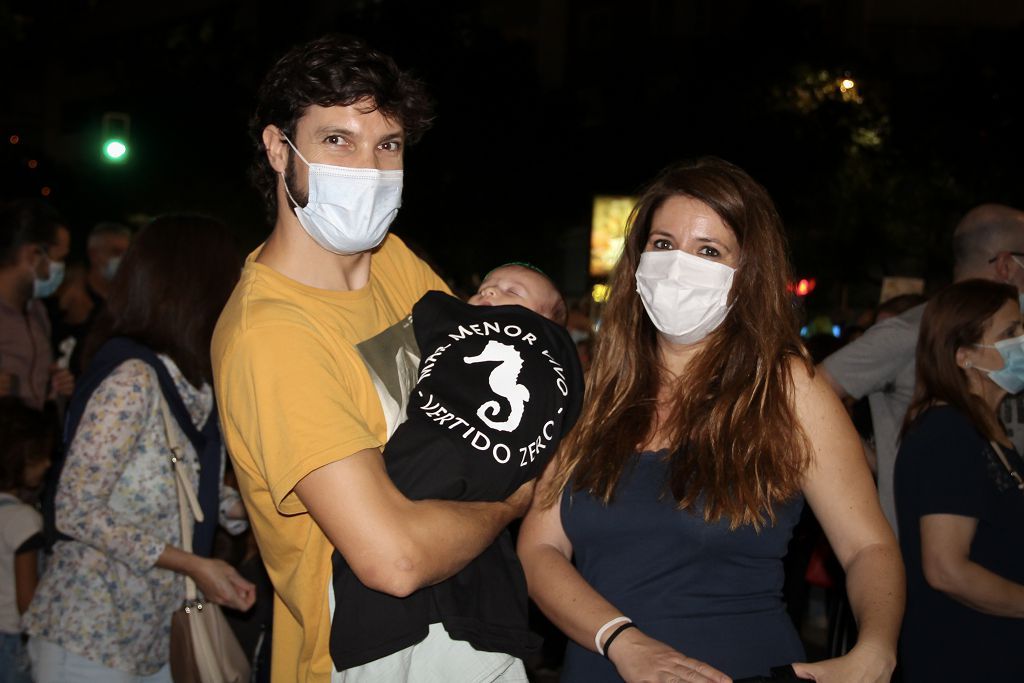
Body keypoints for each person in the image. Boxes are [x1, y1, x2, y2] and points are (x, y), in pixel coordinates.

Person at [212, 35, 535, 682]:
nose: (368, 167)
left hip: (467, 632)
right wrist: (513, 499)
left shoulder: (393, 262)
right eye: (337, 140)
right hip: (358, 659)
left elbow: (505, 376)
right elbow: (392, 558)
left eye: (387, 145)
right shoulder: (270, 334)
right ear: (280, 149)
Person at [517, 157, 904, 682]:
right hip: (604, 664)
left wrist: (876, 650)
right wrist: (623, 642)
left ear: (747, 274)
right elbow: (540, 547)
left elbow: (868, 546)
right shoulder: (597, 394)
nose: (680, 265)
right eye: (662, 244)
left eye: (708, 251)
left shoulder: (784, 388)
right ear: (636, 260)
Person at [22, 214, 255, 682]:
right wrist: (193, 563)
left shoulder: (193, 381)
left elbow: (172, 482)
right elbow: (74, 508)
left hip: (154, 630)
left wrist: (234, 506)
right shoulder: (133, 378)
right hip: (91, 633)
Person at [330, 264, 583, 670]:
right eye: (485, 288)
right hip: (446, 554)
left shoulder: (526, 344)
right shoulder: (559, 378)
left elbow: (431, 310)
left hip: (418, 502)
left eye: (511, 292)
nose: (491, 296)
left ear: (545, 321)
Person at [819, 204, 1024, 532]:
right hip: (926, 550)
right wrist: (873, 461)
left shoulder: (1014, 337)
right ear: (1006, 265)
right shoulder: (912, 330)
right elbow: (813, 390)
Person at [894, 279, 1024, 681]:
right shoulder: (946, 434)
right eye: (1010, 333)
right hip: (961, 658)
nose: (1022, 340)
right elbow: (945, 568)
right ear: (965, 356)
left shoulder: (987, 430)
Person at [0, 200, 74, 410]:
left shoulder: (37, 311)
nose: (61, 270)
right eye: (59, 258)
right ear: (33, 255)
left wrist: (57, 387)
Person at [0, 398, 53, 683]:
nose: (47, 463)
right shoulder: (23, 520)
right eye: (39, 457)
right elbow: (27, 601)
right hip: (9, 640)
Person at [52, 221, 132, 374]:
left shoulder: (129, 303)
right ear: (93, 255)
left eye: (127, 254)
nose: (123, 260)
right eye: (116, 252)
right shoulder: (70, 300)